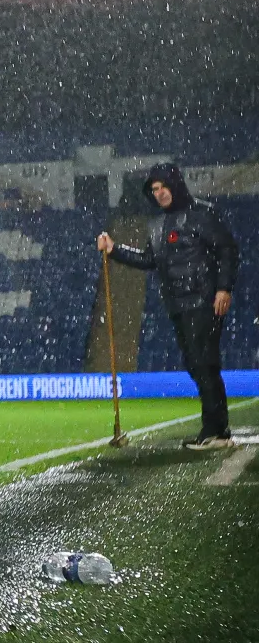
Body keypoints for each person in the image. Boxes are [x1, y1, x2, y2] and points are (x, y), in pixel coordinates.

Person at [97, 162, 241, 449]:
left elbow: (227, 248)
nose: (159, 193)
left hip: (204, 301)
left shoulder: (202, 213)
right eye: (154, 190)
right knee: (195, 363)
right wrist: (115, 250)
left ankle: (216, 430)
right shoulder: (157, 225)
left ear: (175, 185)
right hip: (177, 304)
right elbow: (150, 260)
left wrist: (224, 288)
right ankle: (217, 429)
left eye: (162, 187)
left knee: (204, 362)